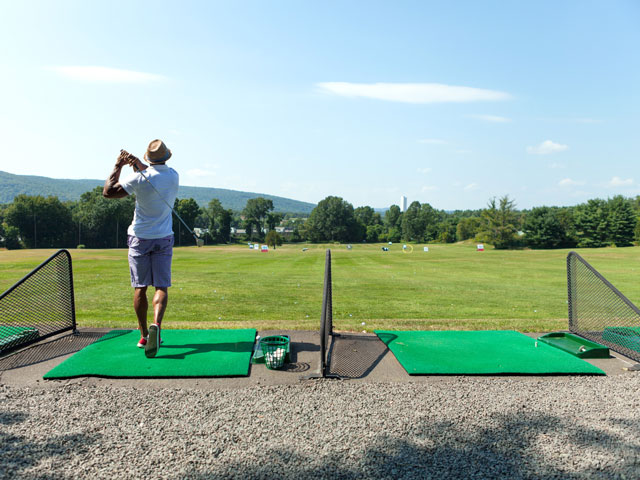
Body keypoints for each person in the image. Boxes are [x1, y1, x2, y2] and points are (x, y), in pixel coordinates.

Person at [103, 139, 179, 358]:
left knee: (140, 287)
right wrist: (136, 162)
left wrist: (118, 165)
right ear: (166, 157)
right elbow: (153, 174)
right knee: (161, 287)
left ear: (148, 158)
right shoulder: (173, 175)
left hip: (139, 238)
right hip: (164, 238)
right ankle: (157, 324)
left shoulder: (137, 179)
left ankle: (145, 335)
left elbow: (109, 192)